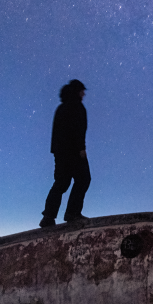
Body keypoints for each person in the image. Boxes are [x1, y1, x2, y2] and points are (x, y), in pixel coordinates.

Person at [40, 80, 91, 227]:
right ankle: (72, 213)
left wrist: (58, 151)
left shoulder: (61, 107)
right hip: (73, 152)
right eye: (82, 90)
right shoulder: (77, 107)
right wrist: (81, 148)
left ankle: (48, 216)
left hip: (60, 153)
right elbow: (78, 129)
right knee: (83, 179)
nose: (84, 93)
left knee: (61, 183)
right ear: (77, 91)